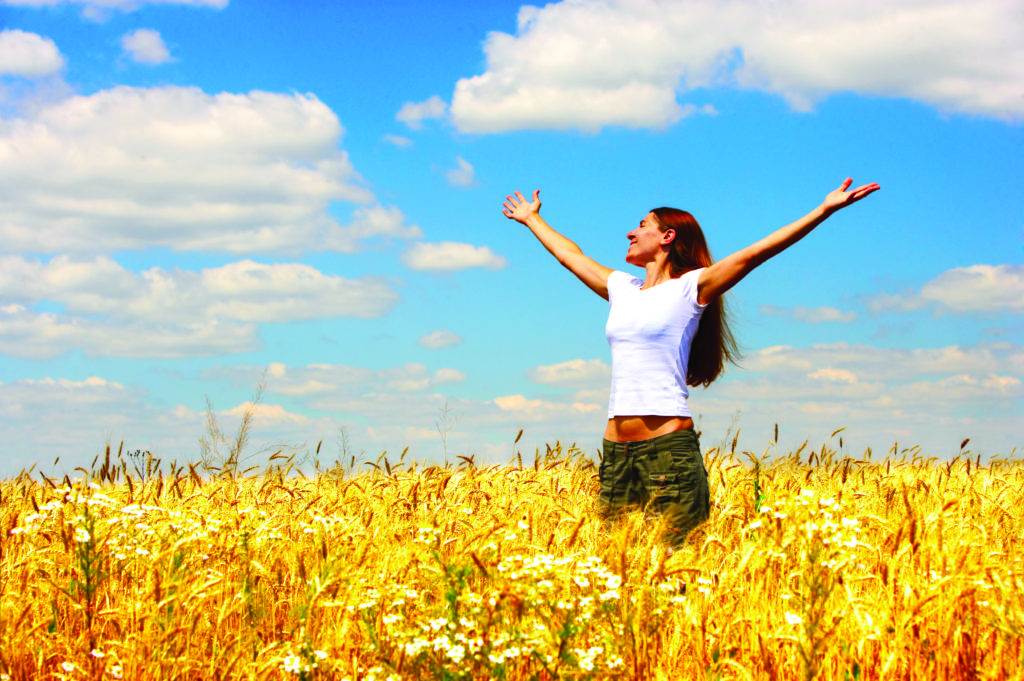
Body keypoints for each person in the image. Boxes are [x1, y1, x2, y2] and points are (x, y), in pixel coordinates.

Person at [501, 178, 880, 545]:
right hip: (616, 454)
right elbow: (571, 256)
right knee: (617, 568)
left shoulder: (690, 288)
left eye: (641, 225)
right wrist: (532, 219)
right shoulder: (622, 289)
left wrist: (823, 210)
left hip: (667, 452)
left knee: (673, 567)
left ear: (667, 237)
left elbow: (755, 254)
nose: (630, 233)